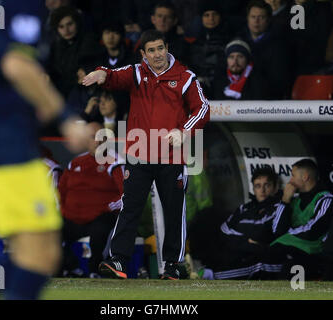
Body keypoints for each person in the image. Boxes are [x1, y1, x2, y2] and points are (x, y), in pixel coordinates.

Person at [0, 1, 90, 300]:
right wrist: (64, 118)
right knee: (39, 255)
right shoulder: (20, 4)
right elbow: (16, 65)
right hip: (7, 143)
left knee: (39, 252)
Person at [82, 29, 209, 280]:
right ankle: (118, 260)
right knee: (130, 207)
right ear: (144, 54)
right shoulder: (138, 73)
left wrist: (184, 132)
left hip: (171, 156)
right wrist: (101, 74)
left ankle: (174, 264)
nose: (157, 54)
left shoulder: (185, 77)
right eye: (151, 50)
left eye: (160, 48)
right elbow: (114, 77)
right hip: (139, 154)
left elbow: (203, 108)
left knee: (174, 211)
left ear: (167, 47)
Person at [58, 122, 124, 277]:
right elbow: (60, 192)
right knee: (51, 231)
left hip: (99, 218)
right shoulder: (75, 163)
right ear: (86, 140)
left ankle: (96, 270)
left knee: (100, 231)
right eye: (93, 137)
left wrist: (107, 207)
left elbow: (126, 195)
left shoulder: (115, 162)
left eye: (102, 137)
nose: (98, 141)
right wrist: (62, 210)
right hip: (72, 218)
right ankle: (72, 268)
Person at [193, 167, 283, 280]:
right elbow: (224, 231)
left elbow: (263, 233)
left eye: (267, 185)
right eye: (258, 186)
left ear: (275, 188)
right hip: (241, 252)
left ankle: (210, 275)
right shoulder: (243, 209)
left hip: (261, 257)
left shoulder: (278, 208)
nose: (262, 190)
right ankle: (198, 268)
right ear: (253, 189)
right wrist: (247, 241)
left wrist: (241, 237)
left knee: (256, 263)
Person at [267, 159, 333, 280]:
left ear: (305, 177)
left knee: (283, 267)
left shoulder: (326, 199)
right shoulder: (294, 200)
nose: (290, 181)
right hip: (286, 248)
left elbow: (312, 231)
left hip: (311, 254)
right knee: (259, 261)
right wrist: (285, 200)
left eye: (293, 176)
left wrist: (287, 233)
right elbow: (277, 230)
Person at [238, 0, 292, 99]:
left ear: (268, 20)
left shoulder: (279, 45)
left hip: (268, 101)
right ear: (247, 19)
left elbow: (279, 81)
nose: (256, 21)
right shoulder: (238, 42)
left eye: (261, 17)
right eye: (253, 17)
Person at [47, 6, 101, 98]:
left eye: (70, 24)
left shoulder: (89, 40)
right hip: (63, 93)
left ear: (77, 23)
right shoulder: (56, 46)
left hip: (84, 93)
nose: (66, 30)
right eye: (61, 27)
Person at [187, 2, 233, 97]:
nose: (211, 18)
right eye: (206, 15)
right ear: (202, 18)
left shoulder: (229, 41)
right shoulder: (194, 43)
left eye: (214, 14)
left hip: (223, 86)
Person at [133, 1, 191, 66]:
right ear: (153, 19)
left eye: (168, 17)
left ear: (174, 21)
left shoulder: (183, 45)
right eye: (159, 16)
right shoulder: (142, 42)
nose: (163, 20)